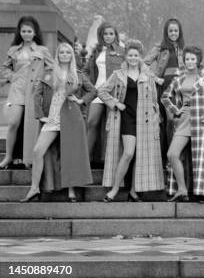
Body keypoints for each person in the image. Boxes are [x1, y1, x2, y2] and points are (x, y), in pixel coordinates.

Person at [20, 43, 95, 202]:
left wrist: (81, 100)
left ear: (71, 55)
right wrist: (40, 116)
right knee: (37, 151)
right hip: (52, 118)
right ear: (58, 54)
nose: (65, 54)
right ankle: (34, 188)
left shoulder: (78, 74)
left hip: (72, 118)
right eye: (62, 52)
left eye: (68, 52)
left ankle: (71, 190)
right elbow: (37, 94)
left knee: (70, 155)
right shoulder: (48, 72)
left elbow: (93, 91)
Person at [99, 40, 164, 202]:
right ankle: (114, 189)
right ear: (126, 56)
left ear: (140, 57)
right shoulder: (118, 74)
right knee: (128, 153)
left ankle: (134, 191)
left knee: (139, 155)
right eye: (130, 55)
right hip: (126, 117)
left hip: (145, 120)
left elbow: (155, 101)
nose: (133, 58)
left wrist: (156, 120)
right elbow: (102, 91)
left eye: (136, 55)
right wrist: (115, 103)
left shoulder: (148, 75)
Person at [162, 46, 204, 202]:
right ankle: (182, 189)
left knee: (199, 158)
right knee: (172, 154)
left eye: (192, 59)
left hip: (201, 121)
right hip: (184, 120)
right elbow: (165, 97)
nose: (189, 62)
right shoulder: (178, 79)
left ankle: (199, 192)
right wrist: (176, 110)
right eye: (187, 59)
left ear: (198, 60)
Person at [0, 15, 53, 168]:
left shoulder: (42, 50)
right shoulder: (13, 50)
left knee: (31, 126)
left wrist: (43, 80)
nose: (26, 34)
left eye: (29, 31)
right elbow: (5, 67)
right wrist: (12, 77)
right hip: (17, 90)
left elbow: (51, 68)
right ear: (20, 32)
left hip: (34, 91)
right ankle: (8, 157)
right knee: (13, 122)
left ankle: (29, 158)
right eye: (23, 31)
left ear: (35, 32)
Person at [144, 18, 185, 162]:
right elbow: (143, 64)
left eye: (176, 31)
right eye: (170, 31)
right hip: (166, 86)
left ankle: (178, 154)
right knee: (170, 119)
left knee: (180, 119)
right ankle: (168, 156)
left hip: (181, 87)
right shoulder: (160, 47)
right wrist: (155, 78)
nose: (173, 33)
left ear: (179, 32)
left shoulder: (183, 48)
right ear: (166, 32)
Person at [84, 23, 124, 165]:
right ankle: (86, 159)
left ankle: (108, 160)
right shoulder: (96, 51)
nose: (108, 36)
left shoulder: (122, 51)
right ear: (101, 35)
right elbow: (86, 71)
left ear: (115, 35)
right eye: (105, 34)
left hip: (113, 94)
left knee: (111, 127)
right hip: (97, 92)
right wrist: (87, 84)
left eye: (111, 34)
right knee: (91, 122)